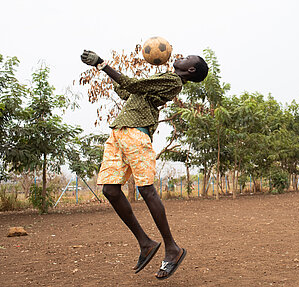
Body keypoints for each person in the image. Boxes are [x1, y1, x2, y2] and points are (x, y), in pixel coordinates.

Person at [80, 50, 208, 280]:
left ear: (191, 70)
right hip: (118, 133)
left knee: (146, 190)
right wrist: (107, 72)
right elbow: (126, 89)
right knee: (109, 190)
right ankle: (146, 243)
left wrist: (101, 64)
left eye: (188, 57)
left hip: (136, 134)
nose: (182, 56)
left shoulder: (173, 81)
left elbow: (130, 83)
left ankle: (172, 248)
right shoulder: (160, 80)